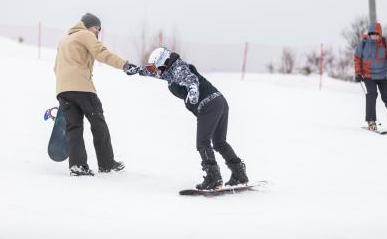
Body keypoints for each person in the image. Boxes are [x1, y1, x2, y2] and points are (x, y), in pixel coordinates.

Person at [126, 47, 249, 190]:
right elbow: (155, 73)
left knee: (203, 143)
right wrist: (137, 70)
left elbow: (192, 81)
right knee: (219, 142)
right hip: (219, 101)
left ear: (164, 61)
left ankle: (214, 178)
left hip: (208, 105)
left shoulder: (178, 69)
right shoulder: (169, 70)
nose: (156, 71)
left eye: (157, 67)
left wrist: (193, 94)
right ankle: (239, 174)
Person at [54, 13, 137, 176]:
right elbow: (101, 53)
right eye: (97, 28)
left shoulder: (64, 41)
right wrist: (125, 65)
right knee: (98, 123)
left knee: (74, 128)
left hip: (63, 90)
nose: (98, 32)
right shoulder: (85, 34)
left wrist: (65, 88)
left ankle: (78, 166)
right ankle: (107, 163)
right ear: (88, 25)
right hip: (83, 89)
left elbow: (55, 68)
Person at [354, 22, 387, 134]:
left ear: (380, 34)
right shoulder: (363, 43)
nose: (374, 36)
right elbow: (357, 58)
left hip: (383, 76)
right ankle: (371, 121)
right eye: (372, 34)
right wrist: (358, 73)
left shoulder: (386, 44)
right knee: (371, 95)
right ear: (369, 34)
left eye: (376, 34)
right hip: (368, 75)